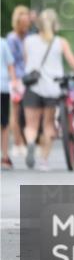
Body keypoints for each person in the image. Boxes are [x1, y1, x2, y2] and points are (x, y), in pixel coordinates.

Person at [22, 9, 74, 170]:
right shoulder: (60, 42)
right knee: (48, 125)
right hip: (53, 88)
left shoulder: (28, 41)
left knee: (31, 125)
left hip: (33, 86)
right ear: (55, 24)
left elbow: (27, 63)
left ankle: (31, 143)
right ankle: (44, 161)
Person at [6, 5, 31, 158]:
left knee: (29, 111)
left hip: (29, 78)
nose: (26, 25)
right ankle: (17, 143)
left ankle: (27, 141)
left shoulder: (30, 37)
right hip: (17, 78)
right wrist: (14, 80)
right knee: (15, 112)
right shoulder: (12, 38)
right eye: (23, 22)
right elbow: (11, 61)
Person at [1, 37, 18, 170]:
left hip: (3, 87)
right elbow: (10, 65)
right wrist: (14, 82)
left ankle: (5, 156)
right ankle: (5, 157)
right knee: (4, 123)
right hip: (2, 87)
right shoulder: (2, 43)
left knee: (4, 123)